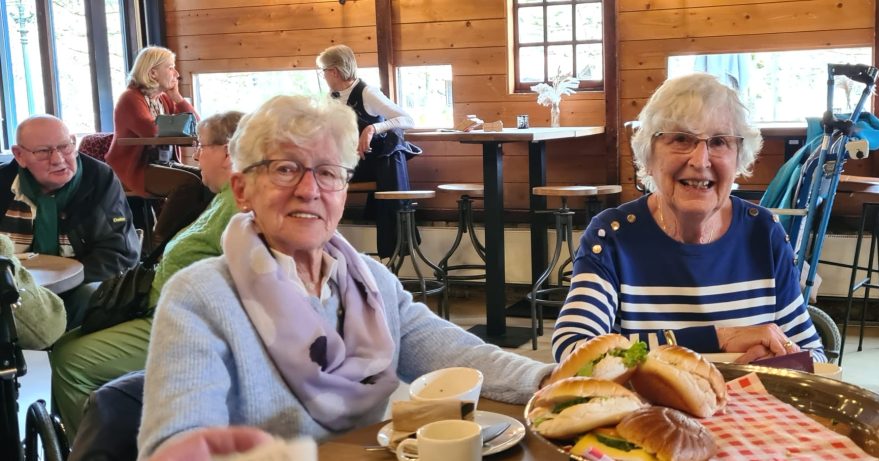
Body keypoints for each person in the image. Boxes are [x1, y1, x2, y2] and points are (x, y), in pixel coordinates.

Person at [137, 95, 551, 459]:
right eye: (285, 169)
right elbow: (180, 441)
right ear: (242, 190)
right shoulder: (200, 297)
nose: (309, 189)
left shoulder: (369, 282)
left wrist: (549, 378)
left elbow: (454, 352)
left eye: (329, 172)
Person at [551, 74, 825, 365]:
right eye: (681, 139)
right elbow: (574, 351)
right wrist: (718, 339)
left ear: (738, 159)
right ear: (649, 156)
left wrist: (780, 362)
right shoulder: (613, 236)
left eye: (719, 142)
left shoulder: (763, 233)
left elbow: (815, 357)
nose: (700, 161)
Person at [50, 111, 245, 440]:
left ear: (227, 152)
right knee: (65, 340)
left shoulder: (238, 205)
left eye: (201, 146)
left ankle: (96, 449)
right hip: (161, 306)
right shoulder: (222, 198)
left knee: (71, 362)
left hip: (191, 323)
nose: (196, 155)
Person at [0, 115, 140, 328]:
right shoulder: (4, 183)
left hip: (79, 286)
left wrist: (62, 280)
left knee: (85, 298)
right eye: (43, 151)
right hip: (12, 288)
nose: (58, 159)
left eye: (65, 146)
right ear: (19, 155)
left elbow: (119, 254)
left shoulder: (98, 180)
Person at [317, 44, 421, 257]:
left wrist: (374, 128)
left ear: (334, 71)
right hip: (343, 163)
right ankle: (320, 246)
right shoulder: (330, 97)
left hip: (367, 163)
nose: (323, 76)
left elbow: (407, 119)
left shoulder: (367, 92)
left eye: (323, 72)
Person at [106, 45, 210, 251]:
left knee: (206, 178)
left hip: (162, 163)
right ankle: (161, 239)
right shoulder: (130, 98)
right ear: (153, 73)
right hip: (136, 169)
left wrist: (177, 97)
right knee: (188, 183)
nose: (176, 73)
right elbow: (153, 132)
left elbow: (197, 126)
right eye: (170, 67)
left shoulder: (162, 99)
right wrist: (176, 125)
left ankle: (186, 233)